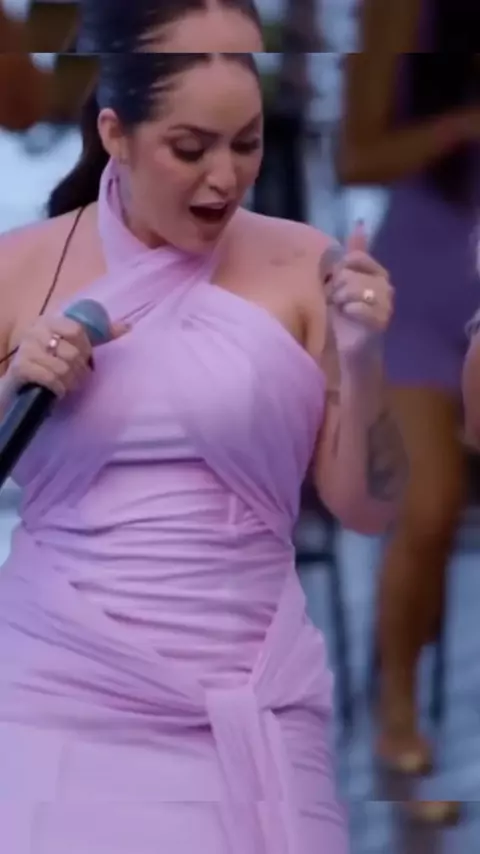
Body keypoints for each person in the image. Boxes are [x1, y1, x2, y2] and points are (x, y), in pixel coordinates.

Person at [0, 1, 404, 851]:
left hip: (249, 690)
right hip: (56, 687)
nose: (225, 177)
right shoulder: (20, 267)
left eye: (245, 144)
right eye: (191, 150)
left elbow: (370, 508)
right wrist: (14, 387)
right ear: (116, 133)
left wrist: (364, 357)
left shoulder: (303, 262)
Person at [339, 0, 480, 822]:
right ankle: (396, 710)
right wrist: (464, 124)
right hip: (420, 302)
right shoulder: (401, 10)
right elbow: (357, 154)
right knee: (427, 509)